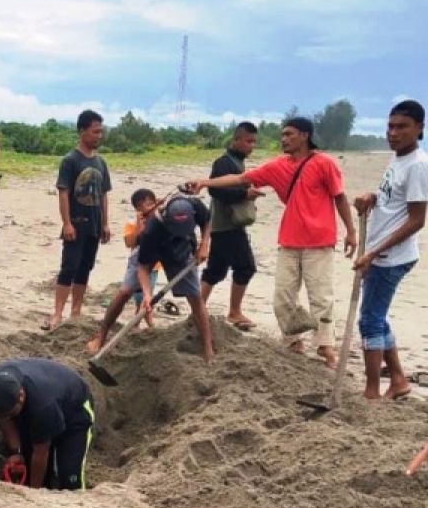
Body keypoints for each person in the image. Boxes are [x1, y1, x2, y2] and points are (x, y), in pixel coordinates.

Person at [185, 117, 357, 367]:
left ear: (305, 135)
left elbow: (339, 198)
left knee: (320, 297)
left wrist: (350, 231)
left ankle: (325, 345)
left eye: (289, 134)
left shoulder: (324, 164)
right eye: (282, 135)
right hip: (289, 240)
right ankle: (292, 340)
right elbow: (240, 179)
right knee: (283, 297)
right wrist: (204, 182)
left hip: (320, 241)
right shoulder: (278, 166)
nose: (283, 139)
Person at [353, 99, 426, 400]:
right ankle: (397, 379)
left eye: (402, 127)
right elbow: (391, 200)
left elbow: (417, 220)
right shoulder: (398, 159)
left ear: (419, 129)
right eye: (390, 126)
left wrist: (373, 252)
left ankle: (371, 390)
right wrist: (371, 196)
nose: (393, 133)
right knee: (377, 317)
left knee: (368, 320)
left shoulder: (418, 166)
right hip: (379, 252)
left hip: (390, 257)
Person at [0, 358, 96, 491]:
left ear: (21, 396)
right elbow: (2, 417)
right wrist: (17, 452)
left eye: (10, 413)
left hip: (74, 411)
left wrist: (33, 494)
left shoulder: (43, 405)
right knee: (30, 467)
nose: (7, 416)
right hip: (40, 404)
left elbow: (41, 452)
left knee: (70, 477)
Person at [47, 109, 111, 330]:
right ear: (82, 131)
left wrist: (105, 223)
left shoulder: (101, 162)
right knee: (69, 267)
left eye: (101, 132)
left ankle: (76, 311)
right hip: (76, 221)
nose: (99, 136)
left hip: (94, 224)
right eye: (95, 132)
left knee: (85, 267)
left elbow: (103, 194)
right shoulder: (70, 161)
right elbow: (63, 192)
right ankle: (57, 313)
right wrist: (67, 223)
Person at [135, 196, 216, 362]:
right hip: (159, 247)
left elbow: (207, 221)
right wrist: (147, 294)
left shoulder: (195, 206)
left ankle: (208, 349)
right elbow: (142, 267)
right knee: (128, 289)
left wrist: (204, 245)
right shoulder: (152, 230)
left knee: (195, 297)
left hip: (183, 249)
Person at [202, 122, 265, 329]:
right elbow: (215, 190)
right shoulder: (224, 163)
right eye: (248, 141)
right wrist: (244, 194)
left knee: (216, 270)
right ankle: (234, 312)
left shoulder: (236, 163)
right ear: (235, 140)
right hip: (227, 226)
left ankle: (199, 307)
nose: (251, 146)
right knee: (246, 267)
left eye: (254, 142)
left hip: (222, 226)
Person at [86, 188, 161, 354]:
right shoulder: (135, 223)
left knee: (146, 300)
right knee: (126, 292)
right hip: (138, 261)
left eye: (150, 204)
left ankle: (144, 326)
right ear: (137, 210)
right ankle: (102, 334)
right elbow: (130, 242)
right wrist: (140, 227)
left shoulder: (161, 215)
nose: (147, 208)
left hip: (155, 264)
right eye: (142, 206)